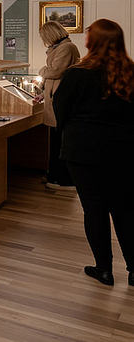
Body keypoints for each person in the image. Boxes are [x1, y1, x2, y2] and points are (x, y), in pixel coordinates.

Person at [53, 18, 134, 287]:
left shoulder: (77, 74)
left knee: (94, 209)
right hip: (123, 151)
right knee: (124, 210)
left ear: (93, 41)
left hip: (83, 151)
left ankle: (104, 269)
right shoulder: (130, 72)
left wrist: (71, 133)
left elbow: (61, 109)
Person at [38, 20, 80, 190]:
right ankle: (54, 175)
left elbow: (55, 72)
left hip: (60, 102)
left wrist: (42, 70)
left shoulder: (66, 48)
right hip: (55, 100)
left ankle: (61, 178)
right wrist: (43, 93)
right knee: (55, 142)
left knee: (60, 143)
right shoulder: (61, 48)